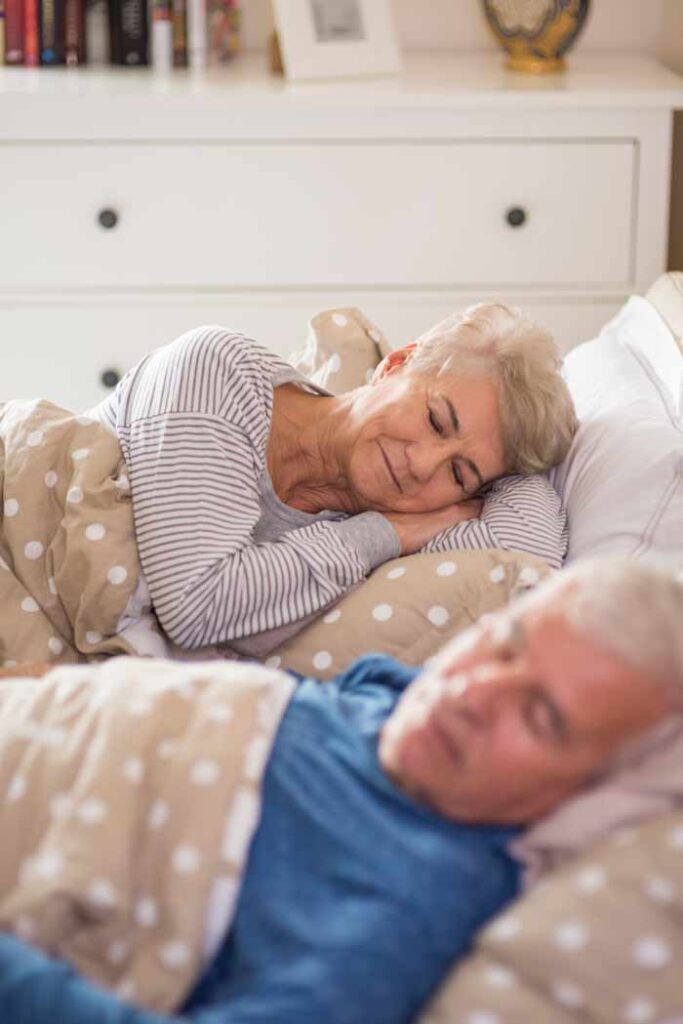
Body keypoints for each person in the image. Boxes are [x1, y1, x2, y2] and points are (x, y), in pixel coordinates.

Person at [0, 559, 681, 1024]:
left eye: (540, 717)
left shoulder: (411, 905)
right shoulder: (388, 692)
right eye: (503, 644)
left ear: (582, 795)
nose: (472, 693)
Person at [86, 303, 577, 654]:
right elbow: (197, 606)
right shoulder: (218, 369)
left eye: (458, 472)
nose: (422, 465)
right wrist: (390, 533)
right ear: (397, 364)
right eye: (435, 420)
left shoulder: (380, 518)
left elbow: (526, 568)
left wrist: (516, 467)